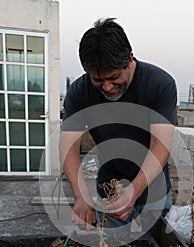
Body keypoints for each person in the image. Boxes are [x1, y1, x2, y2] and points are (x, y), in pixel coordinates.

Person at [59, 17, 177, 235]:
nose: (107, 87)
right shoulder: (79, 93)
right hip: (109, 192)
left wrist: (134, 191)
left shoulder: (159, 85)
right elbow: (69, 148)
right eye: (97, 80)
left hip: (154, 194)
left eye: (114, 78)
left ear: (130, 59)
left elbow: (160, 146)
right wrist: (81, 196)